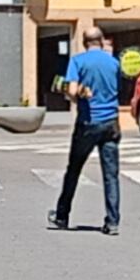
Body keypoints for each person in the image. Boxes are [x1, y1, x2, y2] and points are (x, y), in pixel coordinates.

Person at [49, 16, 126, 233]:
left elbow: (73, 91)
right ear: (101, 41)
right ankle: (112, 222)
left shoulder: (78, 61)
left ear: (84, 43)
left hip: (88, 123)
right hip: (111, 122)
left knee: (73, 170)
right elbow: (118, 89)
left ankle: (62, 215)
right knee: (111, 174)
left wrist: (77, 95)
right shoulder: (114, 63)